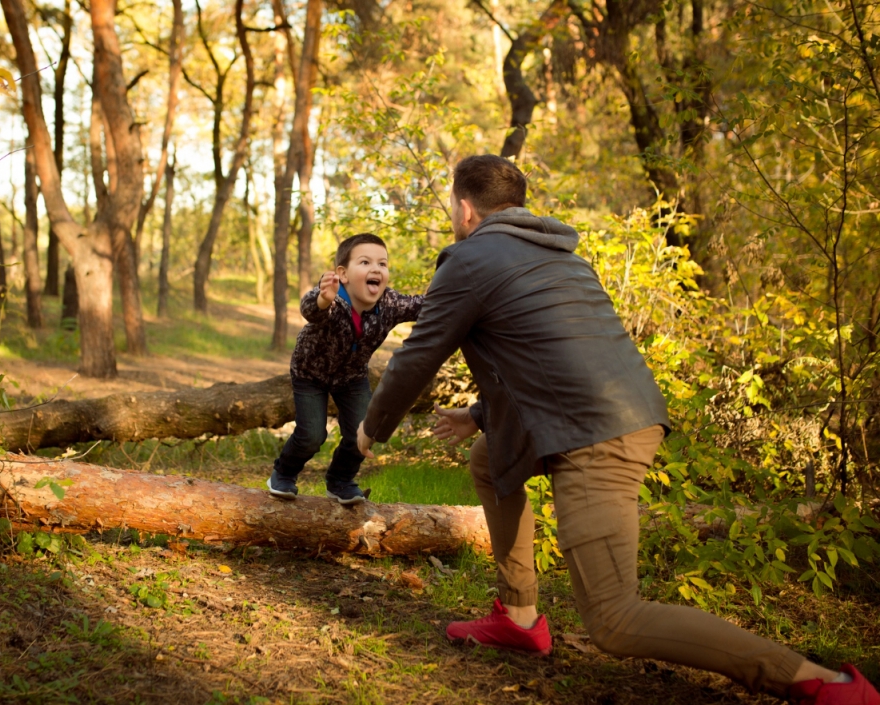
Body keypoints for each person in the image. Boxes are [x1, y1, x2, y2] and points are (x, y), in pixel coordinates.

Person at [356, 154, 879, 704]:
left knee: (614, 619)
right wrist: (481, 416)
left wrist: (371, 429)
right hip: (620, 413)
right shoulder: (562, 257)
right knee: (490, 459)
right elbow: (553, 358)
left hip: (594, 437)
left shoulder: (469, 258)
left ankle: (826, 686)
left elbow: (417, 358)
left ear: (465, 209)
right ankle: (519, 615)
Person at [268, 233, 424, 505]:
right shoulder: (332, 299)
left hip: (351, 376)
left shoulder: (388, 304)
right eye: (365, 262)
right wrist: (323, 299)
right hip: (310, 374)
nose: (376, 269)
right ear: (343, 274)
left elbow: (422, 306)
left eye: (382, 264)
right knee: (312, 435)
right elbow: (311, 309)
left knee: (364, 431)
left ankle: (340, 480)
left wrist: (456, 291)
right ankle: (283, 474)